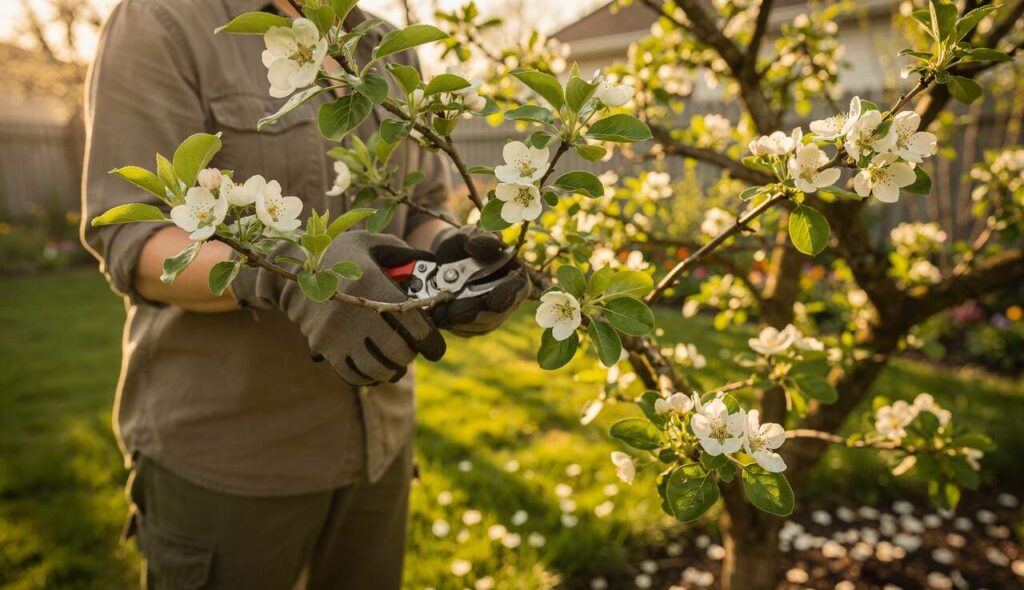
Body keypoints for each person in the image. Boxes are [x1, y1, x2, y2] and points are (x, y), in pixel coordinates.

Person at [79, 0, 528, 588]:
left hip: (380, 442)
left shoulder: (384, 47)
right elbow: (135, 240)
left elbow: (420, 210)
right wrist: (286, 273)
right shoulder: (163, 22)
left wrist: (451, 255)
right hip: (230, 458)